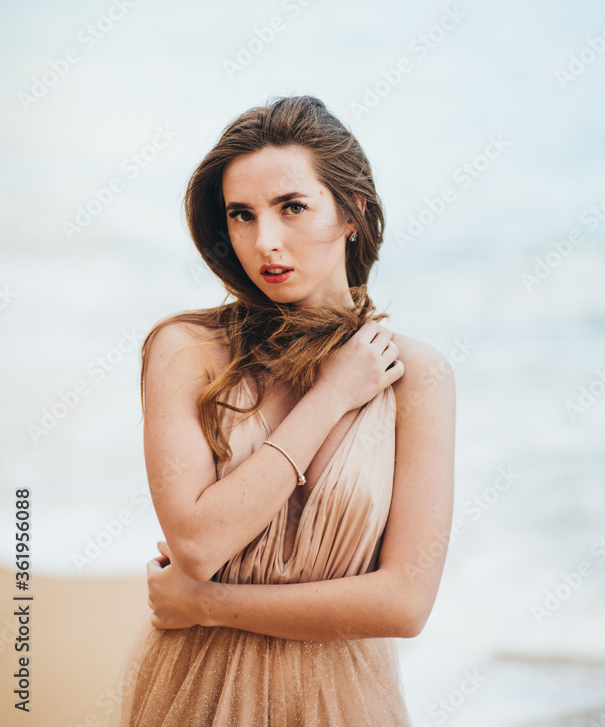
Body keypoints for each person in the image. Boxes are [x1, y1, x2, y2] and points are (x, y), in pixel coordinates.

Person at [112, 94, 456, 727]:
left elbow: (404, 604)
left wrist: (209, 604)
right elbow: (196, 540)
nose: (264, 241)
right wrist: (330, 397)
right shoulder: (187, 350)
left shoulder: (417, 376)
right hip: (195, 693)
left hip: (346, 701)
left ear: (353, 211)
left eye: (292, 207)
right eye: (241, 215)